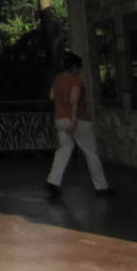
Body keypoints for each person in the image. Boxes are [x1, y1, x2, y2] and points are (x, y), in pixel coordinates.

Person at [46, 52, 111, 195]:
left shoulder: (58, 78)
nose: (80, 69)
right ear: (75, 67)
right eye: (79, 67)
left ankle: (53, 180)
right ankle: (101, 186)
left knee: (63, 150)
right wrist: (74, 120)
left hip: (60, 118)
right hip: (77, 120)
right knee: (90, 152)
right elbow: (74, 101)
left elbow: (52, 96)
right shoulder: (75, 80)